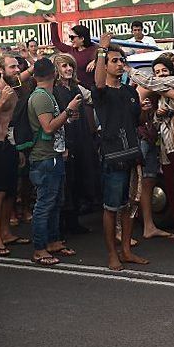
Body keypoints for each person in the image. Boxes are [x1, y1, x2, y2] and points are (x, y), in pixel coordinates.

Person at [93, 34, 149, 270]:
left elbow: (138, 121)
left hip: (132, 155)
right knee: (111, 207)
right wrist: (102, 51)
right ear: (105, 65)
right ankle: (112, 254)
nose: (119, 64)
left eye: (120, 60)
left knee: (130, 206)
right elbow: (97, 83)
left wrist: (147, 110)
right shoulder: (102, 91)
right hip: (113, 156)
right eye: (114, 61)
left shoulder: (130, 92)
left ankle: (126, 250)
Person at [26, 57, 83, 266]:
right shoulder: (41, 97)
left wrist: (68, 117)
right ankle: (40, 249)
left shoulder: (46, 95)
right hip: (44, 157)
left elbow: (52, 125)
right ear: (53, 74)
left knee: (55, 201)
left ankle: (53, 241)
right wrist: (68, 110)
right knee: (45, 204)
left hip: (53, 155)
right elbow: (48, 127)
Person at [130, 55, 174, 240]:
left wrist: (130, 70)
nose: (161, 75)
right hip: (166, 145)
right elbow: (155, 122)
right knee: (173, 189)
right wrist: (156, 113)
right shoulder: (159, 93)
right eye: (157, 72)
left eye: (164, 70)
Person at [0, 55, 32, 256]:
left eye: (17, 67)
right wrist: (1, 101)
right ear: (1, 70)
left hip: (10, 145)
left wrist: (17, 148)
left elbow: (30, 73)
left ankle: (7, 233)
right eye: (12, 67)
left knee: (11, 191)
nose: (16, 70)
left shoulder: (15, 87)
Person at [51, 53, 97, 235]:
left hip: (81, 137)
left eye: (70, 66)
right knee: (66, 183)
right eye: (64, 66)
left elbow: (95, 98)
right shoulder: (54, 90)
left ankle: (74, 221)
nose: (68, 69)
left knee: (79, 178)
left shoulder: (76, 87)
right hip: (65, 140)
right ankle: (62, 225)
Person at [45, 14, 98, 89]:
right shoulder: (70, 50)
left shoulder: (95, 49)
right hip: (76, 89)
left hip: (92, 89)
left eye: (72, 37)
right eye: (70, 37)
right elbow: (56, 42)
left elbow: (109, 54)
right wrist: (54, 23)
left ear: (82, 38)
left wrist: (96, 60)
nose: (71, 40)